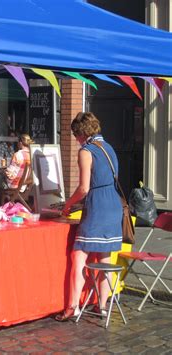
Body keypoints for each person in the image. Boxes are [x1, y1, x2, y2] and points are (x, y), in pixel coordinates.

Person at [55, 112, 123, 321]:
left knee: (78, 257)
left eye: (75, 134)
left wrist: (68, 204)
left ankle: (72, 306)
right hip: (113, 204)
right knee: (104, 258)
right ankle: (102, 306)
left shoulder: (86, 151)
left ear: (81, 133)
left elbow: (84, 188)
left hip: (98, 206)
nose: (75, 139)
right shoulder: (109, 147)